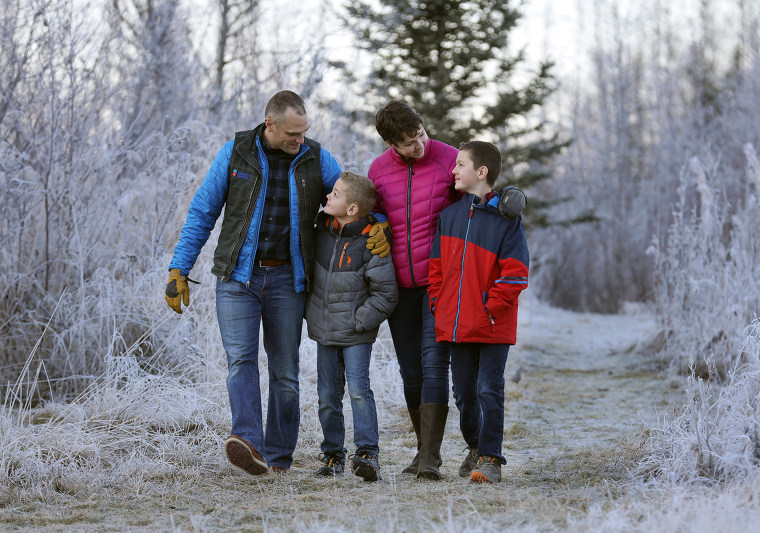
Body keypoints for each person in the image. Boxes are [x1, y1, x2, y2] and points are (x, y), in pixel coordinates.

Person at [163, 91, 389, 475]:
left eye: (304, 132)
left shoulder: (316, 159)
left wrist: (376, 224)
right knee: (241, 362)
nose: (299, 139)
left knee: (285, 369)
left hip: (288, 279)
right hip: (238, 277)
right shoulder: (236, 153)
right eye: (292, 133)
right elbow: (203, 211)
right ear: (270, 124)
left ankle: (279, 457)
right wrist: (179, 268)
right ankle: (248, 441)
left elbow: (355, 199)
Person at [367, 101, 472, 480]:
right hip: (398, 288)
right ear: (391, 143)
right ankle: (421, 449)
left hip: (438, 283)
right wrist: (376, 221)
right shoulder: (378, 170)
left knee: (433, 367)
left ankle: (430, 457)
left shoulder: (450, 159)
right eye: (409, 143)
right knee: (410, 371)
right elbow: (373, 212)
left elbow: (474, 202)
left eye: (421, 135)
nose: (420, 146)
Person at [428, 141, 529, 484]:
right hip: (456, 324)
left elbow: (516, 274)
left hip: (491, 324)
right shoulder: (449, 217)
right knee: (463, 393)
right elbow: (436, 270)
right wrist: (437, 303)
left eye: (461, 164)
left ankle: (490, 458)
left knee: (489, 388)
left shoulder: (506, 221)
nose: (453, 171)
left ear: (481, 172)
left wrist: (490, 309)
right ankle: (474, 445)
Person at [305, 172, 398, 482]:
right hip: (325, 330)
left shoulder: (371, 242)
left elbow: (386, 293)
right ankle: (333, 455)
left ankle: (368, 454)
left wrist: (360, 321)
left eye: (335, 194)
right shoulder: (321, 230)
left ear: (353, 209)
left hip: (356, 333)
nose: (328, 197)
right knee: (328, 395)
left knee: (359, 391)